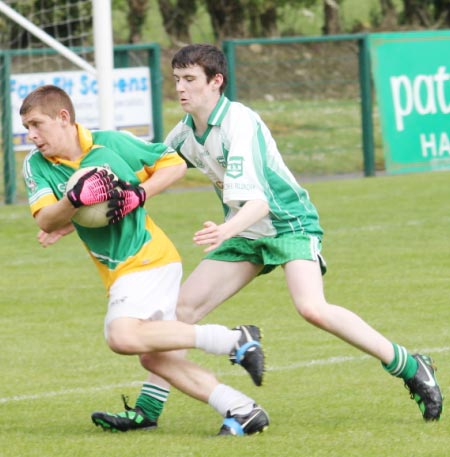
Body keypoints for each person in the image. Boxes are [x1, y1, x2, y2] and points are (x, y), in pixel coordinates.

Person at [94, 43, 443, 430]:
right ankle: (148, 410)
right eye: (177, 79)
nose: (181, 88)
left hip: (286, 222)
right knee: (180, 314)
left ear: (216, 82)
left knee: (312, 308)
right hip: (244, 230)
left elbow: (259, 203)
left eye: (190, 79)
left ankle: (410, 365)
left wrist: (225, 229)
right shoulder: (185, 133)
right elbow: (151, 165)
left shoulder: (238, 123)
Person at [20, 84, 269, 437]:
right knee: (154, 356)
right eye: (26, 128)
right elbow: (46, 219)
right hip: (119, 269)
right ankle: (242, 410)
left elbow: (172, 163)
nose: (31, 135)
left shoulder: (112, 143)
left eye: (36, 124)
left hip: (147, 255)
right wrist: (73, 201)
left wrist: (137, 194)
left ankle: (232, 339)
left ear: (63, 118)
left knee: (121, 336)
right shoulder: (36, 166)